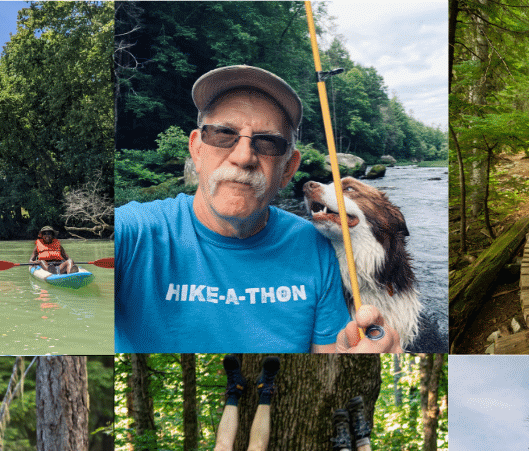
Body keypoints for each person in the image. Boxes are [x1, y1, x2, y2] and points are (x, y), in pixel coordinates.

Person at [115, 65, 400, 353]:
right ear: (197, 150)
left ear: (288, 169)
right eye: (223, 134)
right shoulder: (135, 232)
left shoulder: (314, 246)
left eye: (267, 142)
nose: (243, 157)